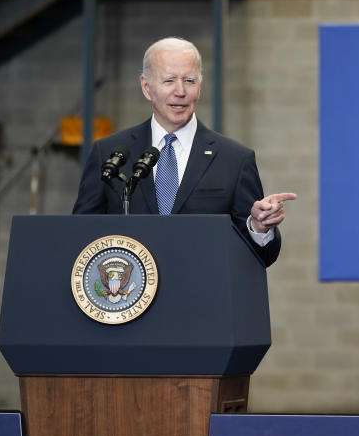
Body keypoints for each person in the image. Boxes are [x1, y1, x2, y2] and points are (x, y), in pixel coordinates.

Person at [72, 37, 295, 266]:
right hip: (128, 295)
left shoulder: (235, 160)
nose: (181, 91)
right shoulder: (109, 153)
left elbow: (261, 257)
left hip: (203, 296)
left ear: (200, 86)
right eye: (169, 81)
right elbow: (77, 237)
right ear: (146, 87)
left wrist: (258, 228)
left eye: (189, 80)